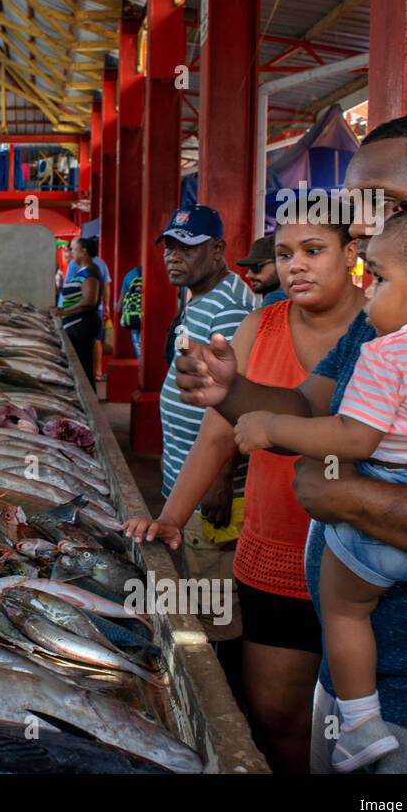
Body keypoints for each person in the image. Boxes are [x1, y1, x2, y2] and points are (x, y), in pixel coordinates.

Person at [173, 109, 407, 774]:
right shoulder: (393, 312)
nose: (364, 222)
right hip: (360, 686)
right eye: (357, 204)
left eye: (385, 202)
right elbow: (309, 402)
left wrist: (353, 498)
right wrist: (236, 391)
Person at [123, 210, 365, 774]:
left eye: (313, 250)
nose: (296, 266)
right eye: (285, 255)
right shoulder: (263, 325)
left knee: (361, 719)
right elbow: (216, 433)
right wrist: (171, 518)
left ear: (351, 252)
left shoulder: (381, 325)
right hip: (273, 545)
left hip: (363, 556)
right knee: (275, 713)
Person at [156, 205, 256, 589]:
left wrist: (220, 479)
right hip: (188, 476)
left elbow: (236, 399)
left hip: (209, 487)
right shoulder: (200, 295)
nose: (173, 256)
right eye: (168, 247)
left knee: (210, 599)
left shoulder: (230, 306)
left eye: (187, 248)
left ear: (217, 249)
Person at [53, 237, 102, 388]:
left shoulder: (90, 272)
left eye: (73, 249)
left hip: (82, 327)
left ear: (84, 251)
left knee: (84, 370)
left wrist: (64, 311)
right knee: (82, 369)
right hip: (76, 326)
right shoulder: (83, 271)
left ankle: (90, 405)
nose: (70, 253)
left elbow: (90, 301)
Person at [238, 235, 286, 306]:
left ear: (280, 263)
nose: (248, 275)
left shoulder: (275, 299)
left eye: (256, 267)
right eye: (247, 268)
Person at [118, 265, 143, 363]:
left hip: (136, 324)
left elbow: (119, 308)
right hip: (161, 327)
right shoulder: (169, 272)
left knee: (142, 361)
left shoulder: (131, 275)